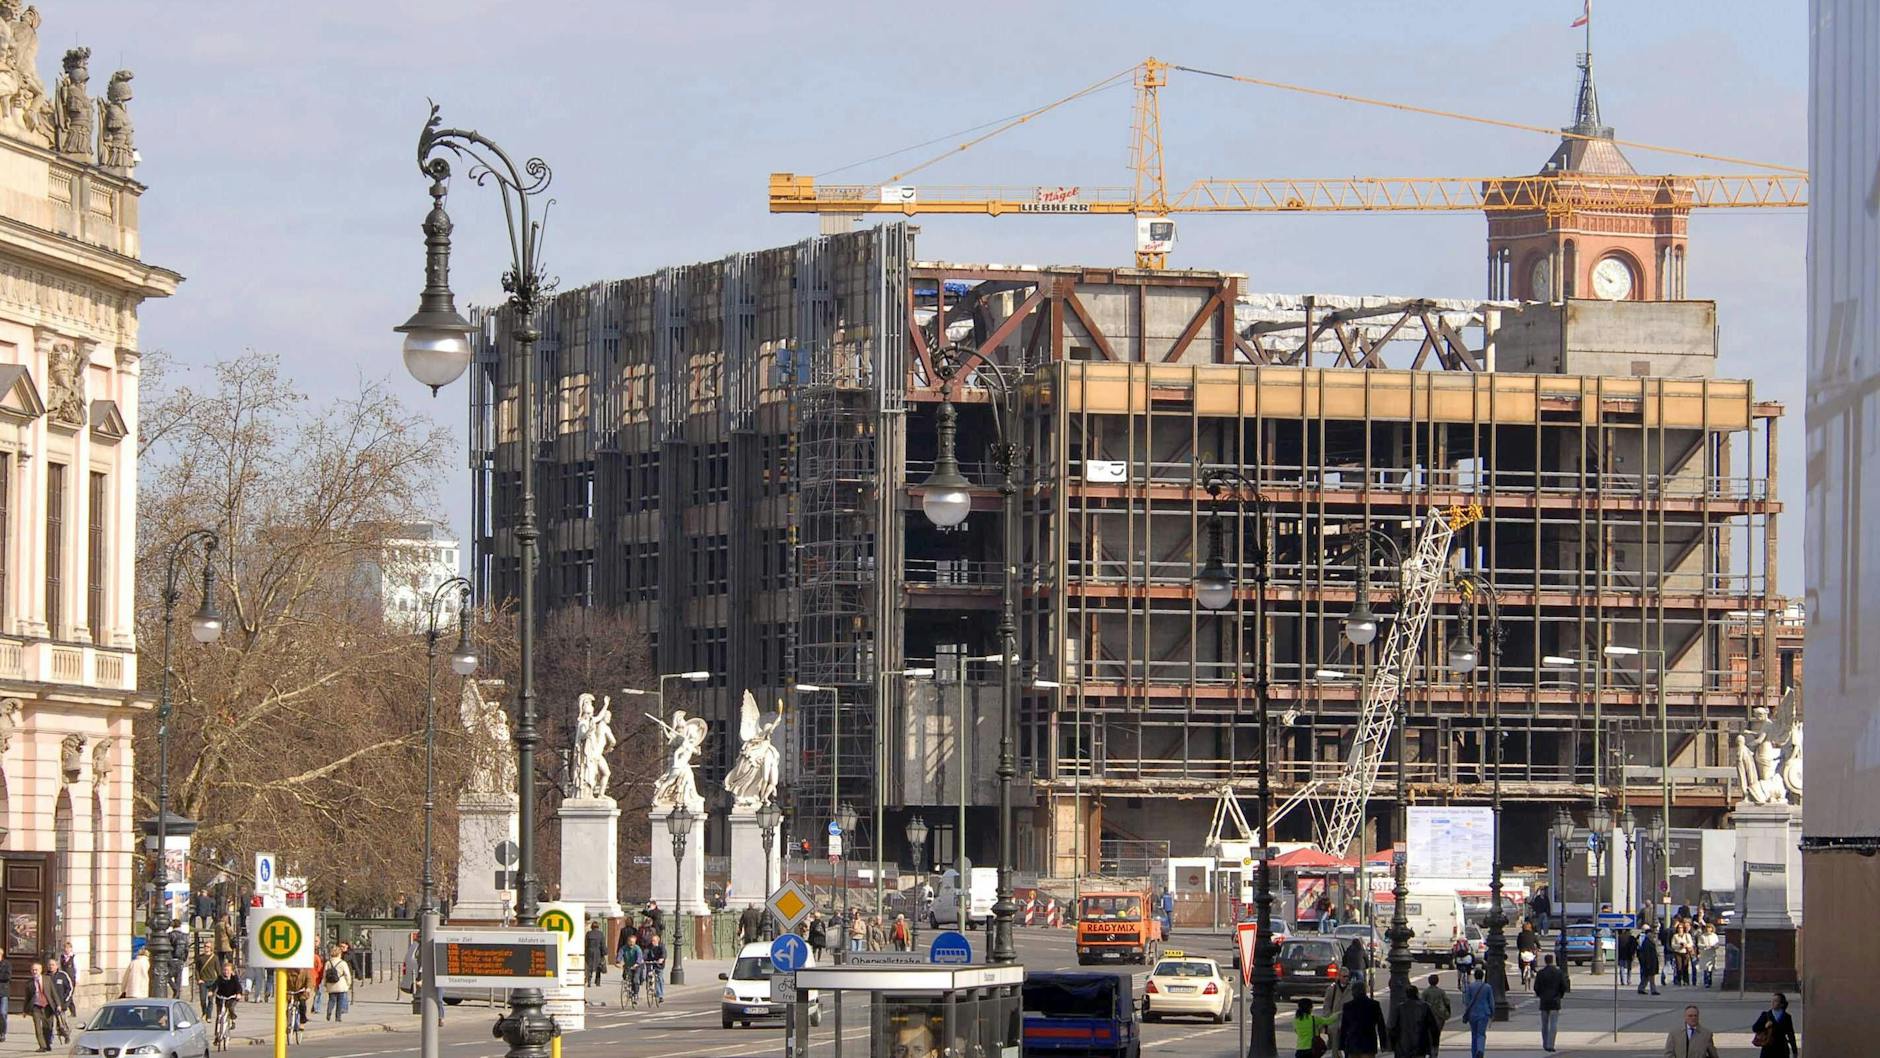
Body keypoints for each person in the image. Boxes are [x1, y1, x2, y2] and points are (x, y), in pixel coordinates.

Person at [1336, 979, 1388, 1058]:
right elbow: (1381, 1026)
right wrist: (1383, 1043)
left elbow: (1344, 1028)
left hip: (1353, 1043)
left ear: (1353, 992)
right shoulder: (1374, 1005)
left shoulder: (1348, 1006)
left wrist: (1341, 1045)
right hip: (1369, 1043)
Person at [1532, 953, 1570, 1053]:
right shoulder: (1558, 973)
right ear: (1552, 960)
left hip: (1544, 1001)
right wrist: (1560, 995)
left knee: (1544, 1024)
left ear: (1545, 961)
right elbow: (1564, 987)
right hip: (1555, 1000)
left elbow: (1536, 987)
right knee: (1553, 1024)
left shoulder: (1541, 973)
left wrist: (1540, 995)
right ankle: (1551, 1044)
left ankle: (1545, 1043)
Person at [1393, 984, 1440, 1058]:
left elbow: (1394, 1028)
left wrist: (1394, 1045)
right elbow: (1434, 1027)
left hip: (1403, 1045)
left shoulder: (1400, 1008)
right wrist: (1435, 1045)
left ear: (1406, 994)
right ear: (1417, 994)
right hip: (1420, 1044)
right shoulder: (1425, 1007)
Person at [1750, 993, 1798, 1058]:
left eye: (1775, 1001)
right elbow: (1754, 1028)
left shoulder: (1787, 1017)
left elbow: (1791, 1034)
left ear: (1781, 1004)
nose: (1772, 1002)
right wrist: (1765, 1026)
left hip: (1782, 1049)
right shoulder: (1766, 1015)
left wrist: (1794, 1051)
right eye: (1772, 1000)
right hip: (1768, 1048)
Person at [1458, 967, 1493, 1058]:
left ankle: (1474, 1054)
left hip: (1472, 1014)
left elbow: (1466, 1001)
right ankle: (1480, 1050)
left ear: (1474, 976)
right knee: (1481, 1034)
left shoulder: (1470, 987)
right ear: (1482, 976)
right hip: (1484, 1013)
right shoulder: (1487, 987)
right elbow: (1491, 1002)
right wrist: (1492, 1013)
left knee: (1474, 1034)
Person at [1421, 974, 1451, 1058]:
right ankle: (1435, 1051)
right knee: (1437, 1034)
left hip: (1428, 1016)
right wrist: (1448, 1011)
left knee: (1428, 1034)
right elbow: (1447, 1001)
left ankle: (1429, 1049)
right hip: (1439, 1015)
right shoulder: (1441, 992)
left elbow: (1422, 1003)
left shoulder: (1426, 992)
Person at [27, 962, 53, 1052]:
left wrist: (58, 1005)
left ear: (41, 970)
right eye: (33, 970)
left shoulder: (47, 979)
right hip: (36, 1007)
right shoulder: (29, 983)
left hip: (47, 1006)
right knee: (38, 1027)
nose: (34, 972)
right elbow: (27, 997)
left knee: (47, 1027)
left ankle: (47, 1044)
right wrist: (24, 1010)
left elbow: (53, 993)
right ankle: (42, 1046)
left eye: (36, 970)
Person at [210, 960, 243, 1032]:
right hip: (220, 997)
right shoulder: (220, 978)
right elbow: (215, 985)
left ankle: (232, 1018)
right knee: (219, 1015)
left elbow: (238, 987)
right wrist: (211, 991)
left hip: (232, 997)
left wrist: (239, 993)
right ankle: (217, 1036)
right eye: (224, 970)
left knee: (230, 1006)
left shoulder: (234, 978)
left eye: (228, 970)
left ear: (231, 971)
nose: (226, 972)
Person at [322, 945, 353, 1021]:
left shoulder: (328, 963)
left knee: (331, 1000)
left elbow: (324, 974)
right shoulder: (343, 963)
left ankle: (329, 1012)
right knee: (340, 1002)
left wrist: (325, 984)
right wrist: (349, 983)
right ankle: (338, 1017)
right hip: (341, 985)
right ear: (339, 954)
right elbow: (347, 974)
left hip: (331, 984)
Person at [1637, 929, 1663, 995]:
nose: (1652, 935)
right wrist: (1648, 964)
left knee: (1646, 977)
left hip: (1651, 962)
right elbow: (1647, 954)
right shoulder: (1647, 943)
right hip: (1649, 963)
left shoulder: (1649, 941)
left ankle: (1641, 988)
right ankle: (1652, 990)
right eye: (1651, 934)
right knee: (1650, 977)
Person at [642, 932, 667, 1002]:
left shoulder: (661, 946)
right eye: (652, 940)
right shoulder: (649, 946)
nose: (652, 942)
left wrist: (662, 958)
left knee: (659, 978)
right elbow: (645, 952)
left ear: (658, 941)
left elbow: (664, 953)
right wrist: (643, 959)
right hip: (650, 962)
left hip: (659, 964)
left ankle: (660, 995)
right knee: (648, 973)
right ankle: (649, 984)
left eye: (654, 941)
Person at [1696, 923, 1721, 988]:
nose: (1708, 929)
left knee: (1710, 968)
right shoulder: (1702, 936)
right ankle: (1706, 982)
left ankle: (1710, 981)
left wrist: (1714, 946)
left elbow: (1717, 944)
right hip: (1704, 954)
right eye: (1707, 928)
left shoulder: (1714, 936)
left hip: (1711, 953)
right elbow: (1699, 944)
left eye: (1710, 928)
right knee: (1705, 968)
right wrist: (1704, 946)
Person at [584, 921, 608, 987]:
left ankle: (589, 981)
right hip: (598, 952)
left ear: (592, 927)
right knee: (598, 967)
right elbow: (603, 944)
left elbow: (586, 944)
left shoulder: (588, 934)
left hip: (590, 951)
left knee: (590, 967)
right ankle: (598, 982)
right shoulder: (601, 934)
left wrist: (585, 952)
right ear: (598, 927)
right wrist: (605, 952)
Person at [1671, 921, 1695, 986]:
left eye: (1681, 928)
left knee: (1685, 966)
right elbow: (1673, 945)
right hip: (1678, 952)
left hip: (1685, 952)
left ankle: (1686, 980)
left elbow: (1691, 944)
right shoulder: (1675, 936)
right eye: (1679, 928)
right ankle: (1679, 980)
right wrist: (1679, 946)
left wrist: (1685, 945)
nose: (1680, 929)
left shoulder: (1687, 935)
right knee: (1679, 967)